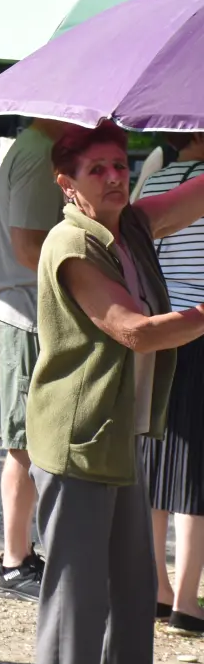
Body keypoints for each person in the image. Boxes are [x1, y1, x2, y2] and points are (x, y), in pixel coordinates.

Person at [25, 122, 204, 664]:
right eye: (97, 169)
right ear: (66, 183)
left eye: (120, 165)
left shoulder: (128, 224)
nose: (114, 177)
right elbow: (138, 331)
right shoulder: (73, 243)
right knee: (76, 603)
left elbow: (190, 199)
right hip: (79, 438)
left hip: (118, 433)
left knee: (131, 594)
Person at [0, 116, 70, 602]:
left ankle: (23, 554)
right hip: (29, 310)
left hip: (29, 307)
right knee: (25, 441)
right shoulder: (39, 152)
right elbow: (29, 245)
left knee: (31, 438)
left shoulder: (37, 146)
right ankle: (15, 562)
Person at [140, 134, 204, 635]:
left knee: (156, 463)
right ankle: (187, 599)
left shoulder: (157, 180)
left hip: (159, 327)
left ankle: (157, 589)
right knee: (197, 474)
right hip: (200, 328)